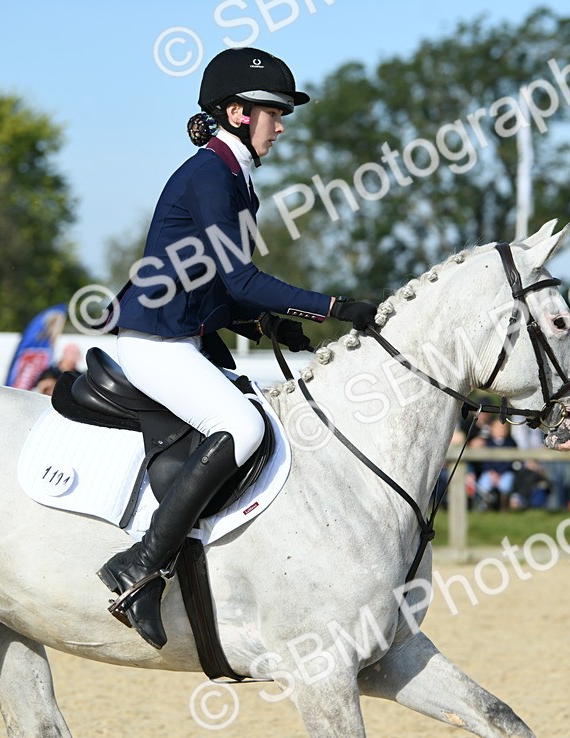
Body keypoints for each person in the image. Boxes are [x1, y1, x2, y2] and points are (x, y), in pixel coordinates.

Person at [96, 47, 378, 649]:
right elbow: (240, 279)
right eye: (274, 114)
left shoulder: (230, 178)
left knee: (260, 414)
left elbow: (222, 288)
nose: (281, 127)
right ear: (237, 113)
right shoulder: (209, 175)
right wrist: (333, 308)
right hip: (154, 337)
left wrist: (268, 326)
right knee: (242, 427)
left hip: (181, 332)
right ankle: (140, 564)